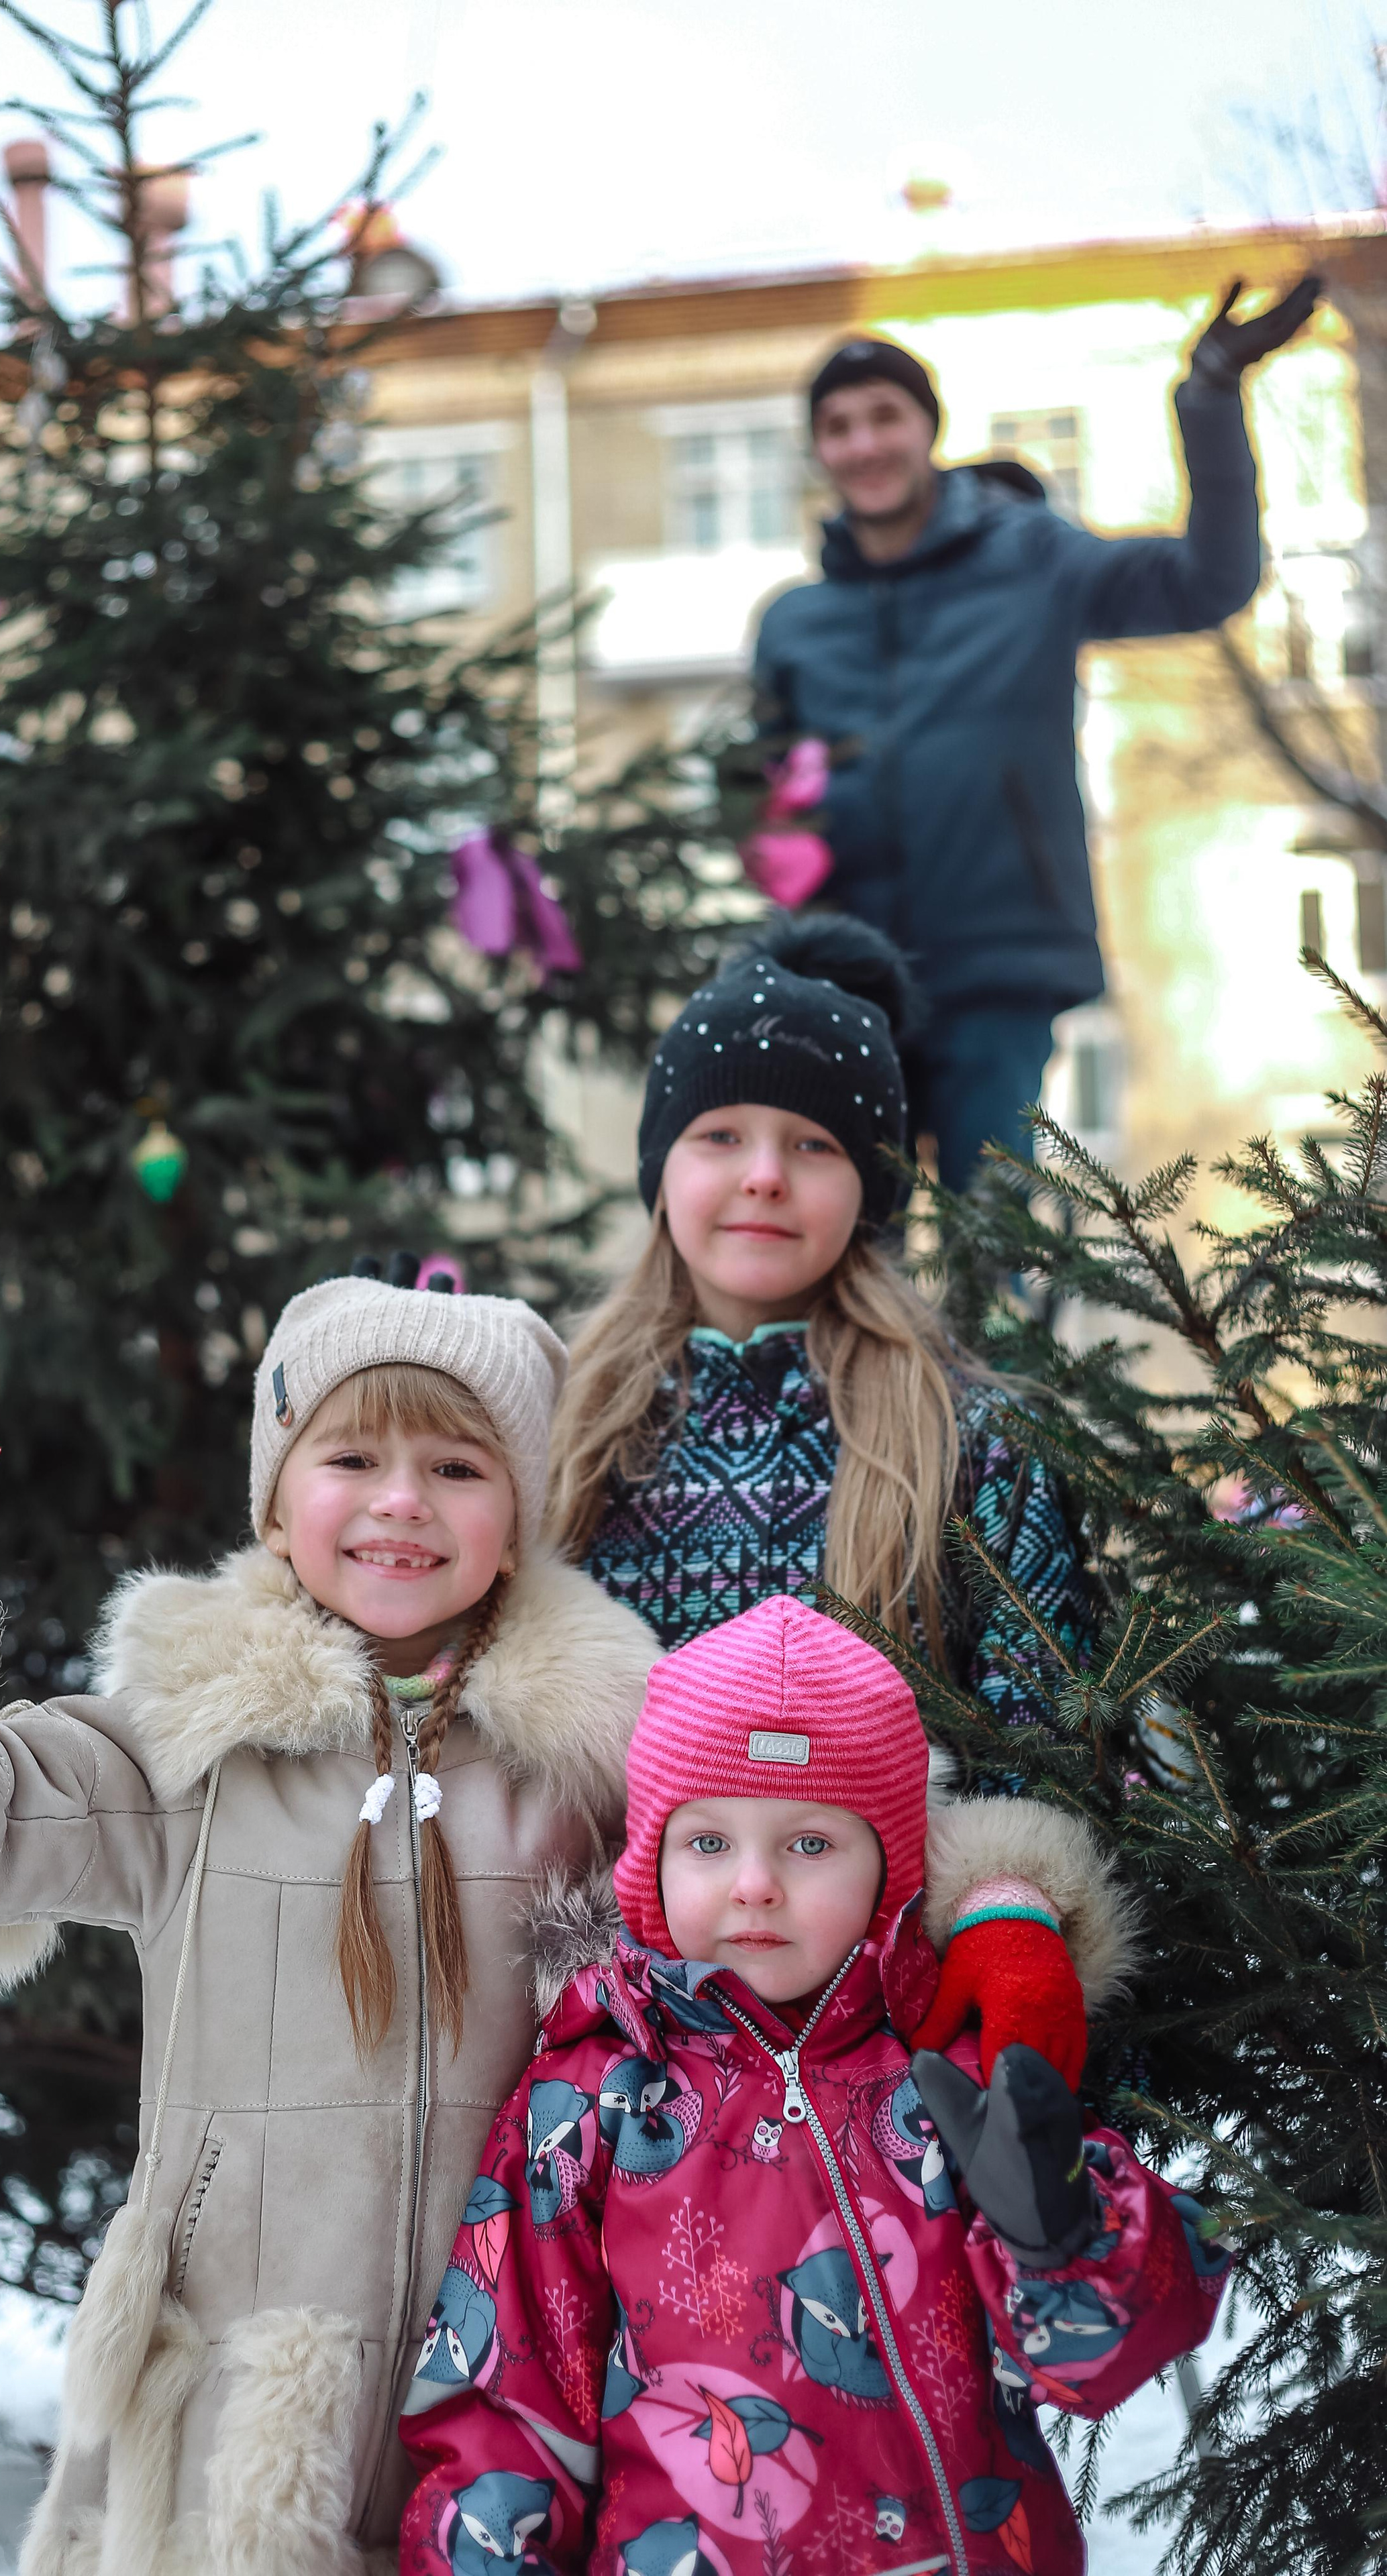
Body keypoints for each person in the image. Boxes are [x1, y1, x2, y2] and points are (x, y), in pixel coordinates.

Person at [0, 1277, 664, 2576]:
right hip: (232, 2403)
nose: (399, 1501)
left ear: (520, 1513)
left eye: (454, 1465)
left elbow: (779, 1885)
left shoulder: (594, 1762)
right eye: (349, 1457)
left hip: (510, 2403)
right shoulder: (188, 1746)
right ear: (277, 1504)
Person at [399, 1595, 1228, 2576]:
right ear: (650, 1868)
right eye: (709, 1844)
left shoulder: (948, 2080)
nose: (755, 1884)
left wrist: (1063, 2237)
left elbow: (1126, 2347)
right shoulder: (588, 2104)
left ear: (889, 1872)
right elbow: (505, 2409)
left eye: (809, 1844)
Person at [753, 276, 1323, 1188]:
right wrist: (766, 831)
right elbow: (761, 786)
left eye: (883, 416)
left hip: (1000, 964)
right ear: (819, 449)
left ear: (926, 427)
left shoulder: (1032, 559)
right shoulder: (794, 622)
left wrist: (1209, 395)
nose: (863, 444)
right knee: (852, 1257)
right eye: (838, 427)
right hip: (843, 979)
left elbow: (1208, 583)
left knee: (992, 1260)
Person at [553, 909, 1090, 1715]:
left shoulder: (971, 1446)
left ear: (872, 1191)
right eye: (721, 1135)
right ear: (661, 1171)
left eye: (813, 1145)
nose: (765, 1176)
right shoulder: (561, 1429)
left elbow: (1042, 1765)